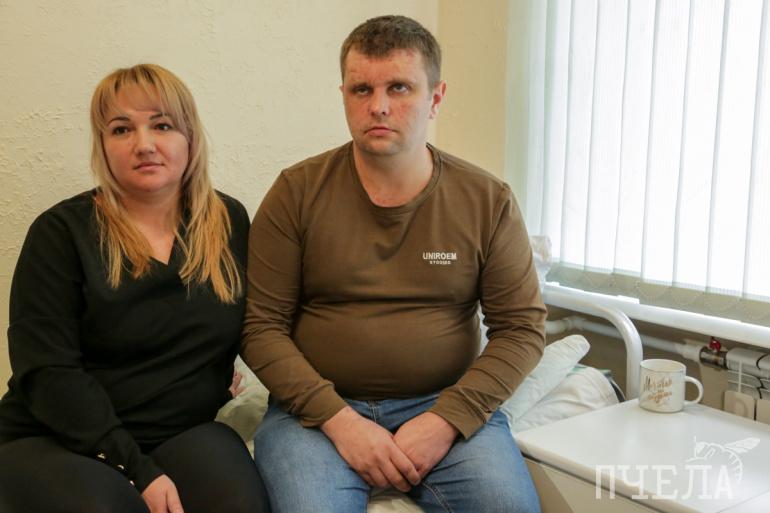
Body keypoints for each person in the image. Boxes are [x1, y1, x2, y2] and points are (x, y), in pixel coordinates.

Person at [242, 15, 545, 513]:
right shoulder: (297, 192)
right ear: (344, 95)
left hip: (443, 404)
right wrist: (340, 421)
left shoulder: (487, 201)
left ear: (436, 97)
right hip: (316, 414)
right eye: (361, 89)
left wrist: (446, 420)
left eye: (399, 87)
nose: (378, 106)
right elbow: (260, 327)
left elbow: (522, 329)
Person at [0, 64, 269, 513]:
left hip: (179, 431)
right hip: (57, 437)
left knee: (239, 502)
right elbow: (47, 373)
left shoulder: (229, 221)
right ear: (103, 145)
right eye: (121, 129)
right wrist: (138, 470)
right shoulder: (60, 232)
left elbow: (260, 324)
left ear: (190, 137)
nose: (143, 144)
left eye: (162, 125)